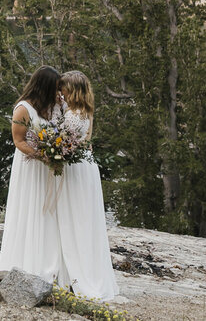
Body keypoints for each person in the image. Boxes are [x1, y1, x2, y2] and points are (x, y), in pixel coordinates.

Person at [54, 70, 119, 301]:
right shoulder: (85, 111)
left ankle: (75, 274)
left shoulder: (72, 115)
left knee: (74, 219)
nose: (60, 92)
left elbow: (63, 144)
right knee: (85, 219)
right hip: (86, 166)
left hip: (75, 169)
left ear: (72, 91)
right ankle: (82, 270)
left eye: (63, 88)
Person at [0, 65, 64, 280]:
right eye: (55, 88)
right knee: (31, 208)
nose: (58, 92)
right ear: (43, 87)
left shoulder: (52, 107)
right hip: (30, 167)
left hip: (46, 168)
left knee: (48, 213)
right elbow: (18, 140)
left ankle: (48, 261)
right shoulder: (23, 109)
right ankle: (25, 261)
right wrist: (41, 155)